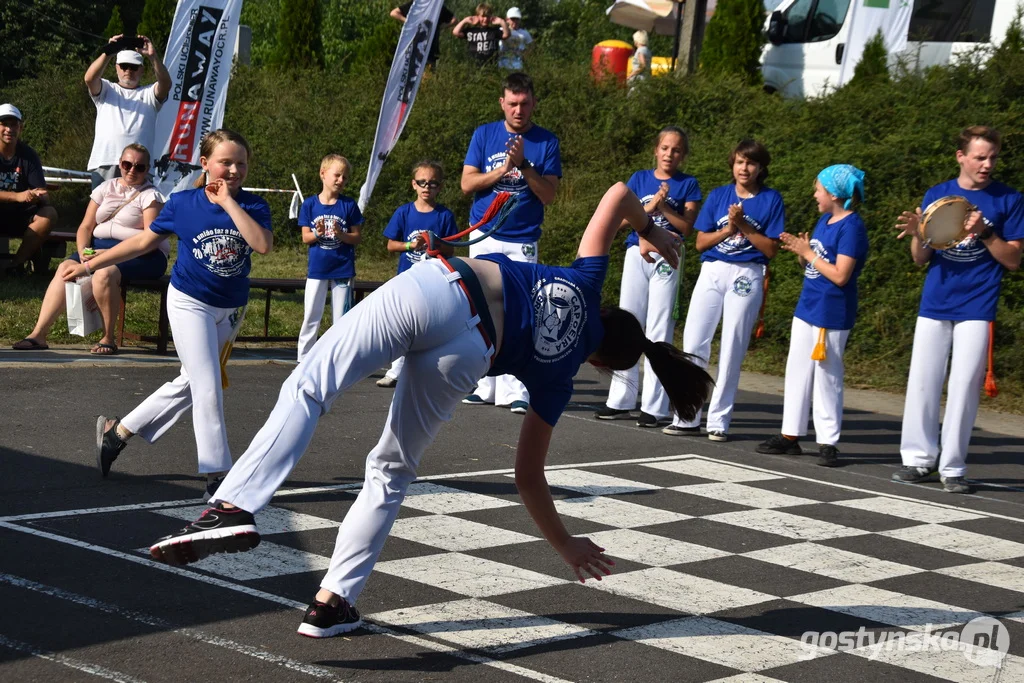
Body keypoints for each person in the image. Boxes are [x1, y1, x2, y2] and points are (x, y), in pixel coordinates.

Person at [145, 182, 713, 639]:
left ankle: (233, 505)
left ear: (608, 311)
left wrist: (650, 230)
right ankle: (332, 602)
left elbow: (616, 193)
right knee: (391, 470)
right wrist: (566, 545)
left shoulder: (587, 282)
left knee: (310, 387)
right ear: (602, 364)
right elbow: (528, 477)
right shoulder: (562, 379)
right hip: (469, 354)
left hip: (442, 287)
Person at [64, 130, 273, 499]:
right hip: (189, 301)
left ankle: (117, 433)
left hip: (231, 308)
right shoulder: (182, 203)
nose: (235, 170)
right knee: (207, 386)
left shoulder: (254, 207)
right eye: (226, 162)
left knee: (193, 382)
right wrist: (91, 263)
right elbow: (143, 241)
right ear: (205, 164)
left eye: (241, 163)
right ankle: (218, 478)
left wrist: (229, 204)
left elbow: (262, 245)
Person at [892, 126, 1023, 494]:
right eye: (980, 157)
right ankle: (918, 461)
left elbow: (1013, 260)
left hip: (978, 306)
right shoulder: (938, 194)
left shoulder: (1009, 199)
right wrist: (919, 234)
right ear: (961, 157)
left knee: (964, 387)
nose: (987, 164)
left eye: (993, 156)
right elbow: (921, 258)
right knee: (923, 383)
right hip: (936, 302)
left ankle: (952, 467)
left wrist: (985, 232)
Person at [663, 140, 785, 441]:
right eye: (740, 162)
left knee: (732, 345)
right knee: (693, 341)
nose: (745, 168)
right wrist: (728, 230)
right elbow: (701, 242)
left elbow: (770, 249)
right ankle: (687, 415)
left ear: (761, 168)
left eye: (752, 163)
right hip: (713, 269)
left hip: (747, 273)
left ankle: (719, 420)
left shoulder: (771, 200)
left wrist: (743, 225)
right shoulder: (719, 195)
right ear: (732, 164)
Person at [460, 72, 562, 414]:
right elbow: (467, 183)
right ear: (502, 103)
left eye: (524, 103)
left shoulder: (546, 142)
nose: (519, 110)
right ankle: (484, 384)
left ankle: (516, 389)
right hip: (485, 234)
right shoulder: (485, 134)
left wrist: (525, 166)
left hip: (522, 240)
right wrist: (502, 171)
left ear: (533, 104)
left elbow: (548, 195)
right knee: (480, 308)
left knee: (521, 313)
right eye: (512, 103)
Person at [756, 165, 869, 467]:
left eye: (818, 189)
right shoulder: (825, 220)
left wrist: (808, 253)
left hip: (830, 314)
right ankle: (789, 434)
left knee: (827, 377)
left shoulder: (851, 226)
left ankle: (828, 442)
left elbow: (841, 275)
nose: (814, 194)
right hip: (808, 308)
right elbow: (815, 265)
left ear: (833, 193)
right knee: (797, 372)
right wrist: (801, 253)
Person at [13, 144, 166, 354]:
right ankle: (38, 334)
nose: (132, 170)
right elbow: (85, 226)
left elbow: (150, 239)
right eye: (127, 164)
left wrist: (104, 256)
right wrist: (83, 249)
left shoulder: (151, 196)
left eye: (139, 167)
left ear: (147, 169)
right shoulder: (106, 187)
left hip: (141, 253)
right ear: (120, 164)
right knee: (65, 267)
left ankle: (108, 337)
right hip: (98, 247)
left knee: (104, 273)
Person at [596, 126, 701, 427]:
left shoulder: (688, 184)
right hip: (636, 253)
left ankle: (655, 405)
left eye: (677, 150)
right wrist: (648, 207)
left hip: (668, 254)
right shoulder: (639, 179)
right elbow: (621, 221)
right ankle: (620, 399)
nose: (670, 154)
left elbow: (687, 227)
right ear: (656, 150)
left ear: (683, 155)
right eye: (665, 148)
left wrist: (664, 207)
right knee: (628, 322)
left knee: (659, 327)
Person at [377, 160, 458, 388]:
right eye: (422, 182)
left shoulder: (444, 216)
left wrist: (432, 244)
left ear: (440, 187)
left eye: (432, 183)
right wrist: (411, 246)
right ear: (414, 184)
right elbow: (391, 245)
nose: (426, 187)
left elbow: (450, 249)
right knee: (402, 324)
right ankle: (395, 371)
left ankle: (427, 373)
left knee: (430, 326)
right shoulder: (404, 212)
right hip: (406, 278)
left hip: (434, 281)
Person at [296, 155, 363, 362]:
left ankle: (339, 358)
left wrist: (341, 234)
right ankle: (303, 358)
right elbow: (306, 238)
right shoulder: (309, 204)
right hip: (317, 269)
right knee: (311, 315)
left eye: (345, 177)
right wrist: (318, 233)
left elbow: (357, 237)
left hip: (342, 269)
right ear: (323, 174)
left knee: (341, 319)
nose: (341, 180)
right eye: (337, 175)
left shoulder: (349, 205)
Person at [84, 35, 171, 189]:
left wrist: (153, 57)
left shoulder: (150, 93)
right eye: (124, 66)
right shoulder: (106, 89)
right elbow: (89, 78)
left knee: (136, 212)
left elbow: (166, 83)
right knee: (103, 211)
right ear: (116, 67)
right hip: (106, 162)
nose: (128, 71)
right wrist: (108, 52)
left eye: (133, 67)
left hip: (139, 166)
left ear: (141, 70)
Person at [0, 104, 56, 273]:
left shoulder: (29, 155)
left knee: (49, 214)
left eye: (14, 124)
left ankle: (16, 265)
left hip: (22, 216)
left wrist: (38, 196)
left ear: (21, 128)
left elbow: (40, 190)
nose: (9, 129)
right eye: (4, 124)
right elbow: (20, 196)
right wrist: (18, 196)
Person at [390, 2, 456, 70]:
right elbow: (394, 13)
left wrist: (438, 27)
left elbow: (454, 20)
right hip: (416, 48)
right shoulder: (417, 5)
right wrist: (409, 22)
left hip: (430, 49)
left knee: (427, 73)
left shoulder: (437, 8)